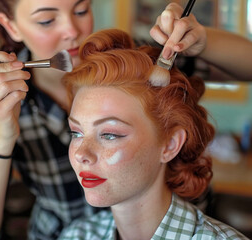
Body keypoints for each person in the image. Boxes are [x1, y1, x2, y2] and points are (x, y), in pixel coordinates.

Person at [0, 0, 252, 239]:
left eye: (81, 9)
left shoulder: (140, 62)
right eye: (47, 20)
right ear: (10, 26)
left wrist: (203, 40)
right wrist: (1, 136)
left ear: (170, 143)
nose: (72, 31)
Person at [59, 28, 248, 240]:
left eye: (109, 135)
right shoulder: (76, 235)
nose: (81, 154)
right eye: (76, 132)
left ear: (170, 144)